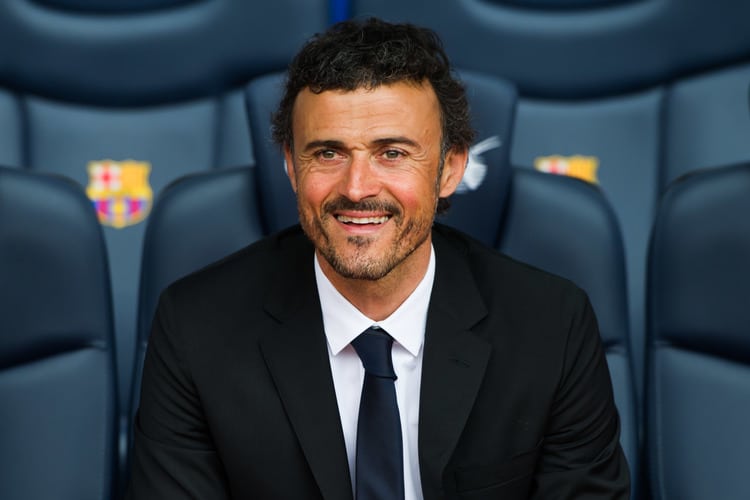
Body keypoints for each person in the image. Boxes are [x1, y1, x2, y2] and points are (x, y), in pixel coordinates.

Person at [126, 17, 630, 500]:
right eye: (327, 153)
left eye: (392, 153)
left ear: (451, 169)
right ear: (290, 166)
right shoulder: (196, 328)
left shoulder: (551, 325)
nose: (357, 187)